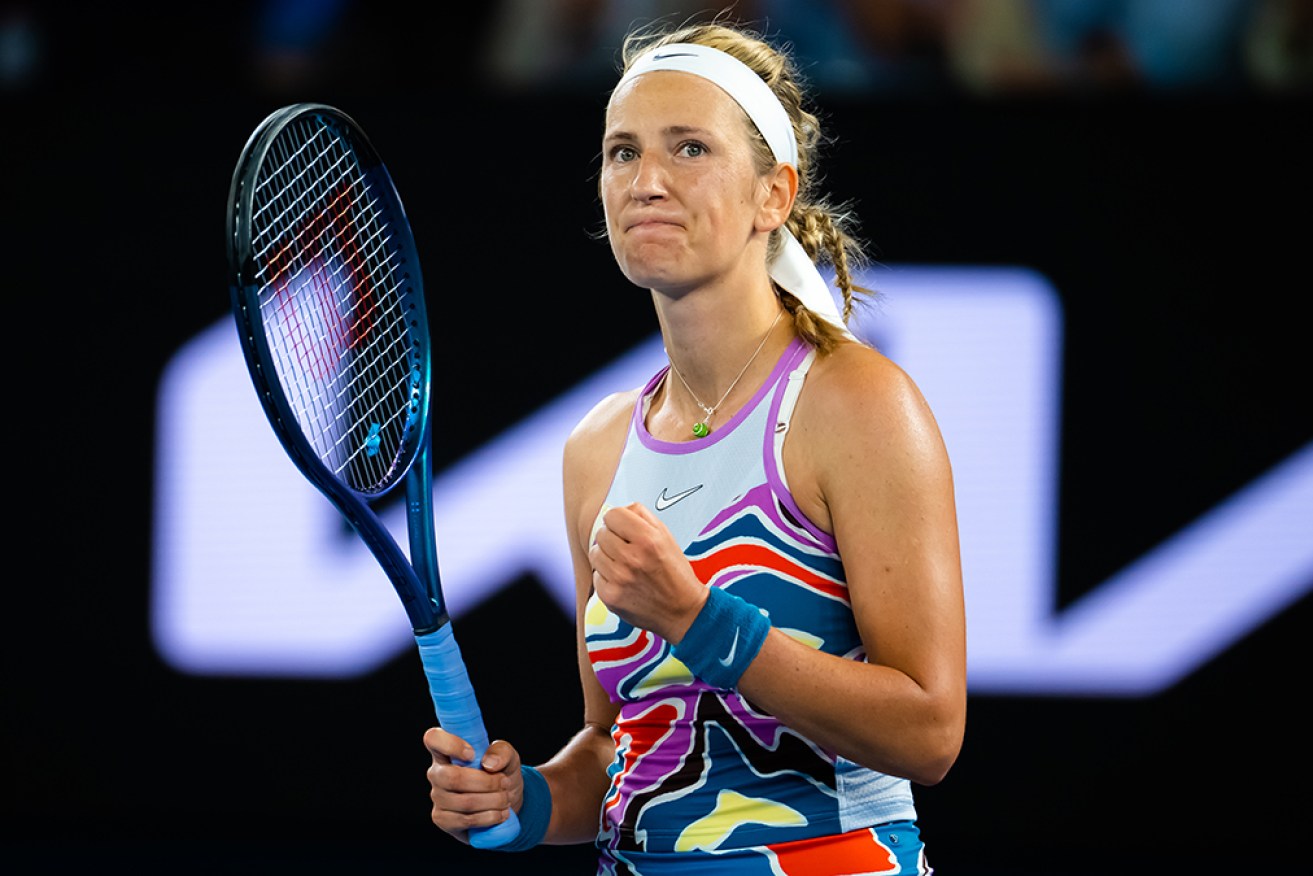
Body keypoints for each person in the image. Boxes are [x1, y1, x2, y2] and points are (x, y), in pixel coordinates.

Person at [425, 17, 966, 874]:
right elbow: (617, 742)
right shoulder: (595, 448)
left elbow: (930, 732)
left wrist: (696, 620)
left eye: (688, 150)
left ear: (773, 195)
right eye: (621, 152)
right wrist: (525, 800)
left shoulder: (855, 403)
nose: (645, 181)